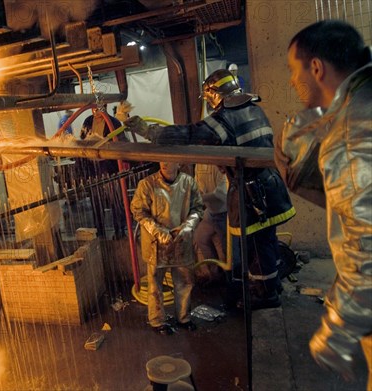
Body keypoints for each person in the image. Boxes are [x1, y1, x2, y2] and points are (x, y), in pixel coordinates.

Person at [125, 69, 296, 309]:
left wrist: (146, 130)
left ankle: (265, 295)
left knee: (256, 247)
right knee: (266, 241)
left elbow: (190, 134)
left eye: (209, 98)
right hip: (270, 186)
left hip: (251, 193)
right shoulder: (255, 111)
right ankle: (271, 286)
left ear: (215, 95)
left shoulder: (225, 119)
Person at [281, 20, 372, 385]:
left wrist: (335, 333)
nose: (291, 81)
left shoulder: (350, 133)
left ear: (316, 68)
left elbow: (367, 249)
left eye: (293, 70)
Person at [131, 161, 203, 334]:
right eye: (161, 159)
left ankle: (183, 318)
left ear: (179, 163)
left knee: (184, 282)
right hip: (156, 244)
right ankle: (157, 321)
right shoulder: (147, 184)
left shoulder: (189, 183)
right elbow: (138, 211)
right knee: (155, 285)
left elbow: (198, 208)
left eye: (169, 159)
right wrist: (157, 231)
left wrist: (186, 228)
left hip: (181, 242)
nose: (164, 163)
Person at [79, 105, 129, 238]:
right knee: (96, 201)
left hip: (109, 166)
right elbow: (82, 141)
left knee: (115, 200)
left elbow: (121, 143)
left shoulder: (114, 123)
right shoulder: (88, 122)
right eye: (94, 109)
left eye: (99, 108)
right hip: (93, 167)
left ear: (105, 107)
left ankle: (120, 230)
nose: (96, 112)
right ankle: (99, 231)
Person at [193, 163, 228, 284]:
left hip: (225, 212)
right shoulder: (199, 164)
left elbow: (222, 194)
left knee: (228, 249)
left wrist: (199, 199)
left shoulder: (219, 163)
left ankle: (232, 280)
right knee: (200, 237)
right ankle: (215, 275)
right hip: (211, 211)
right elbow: (197, 186)